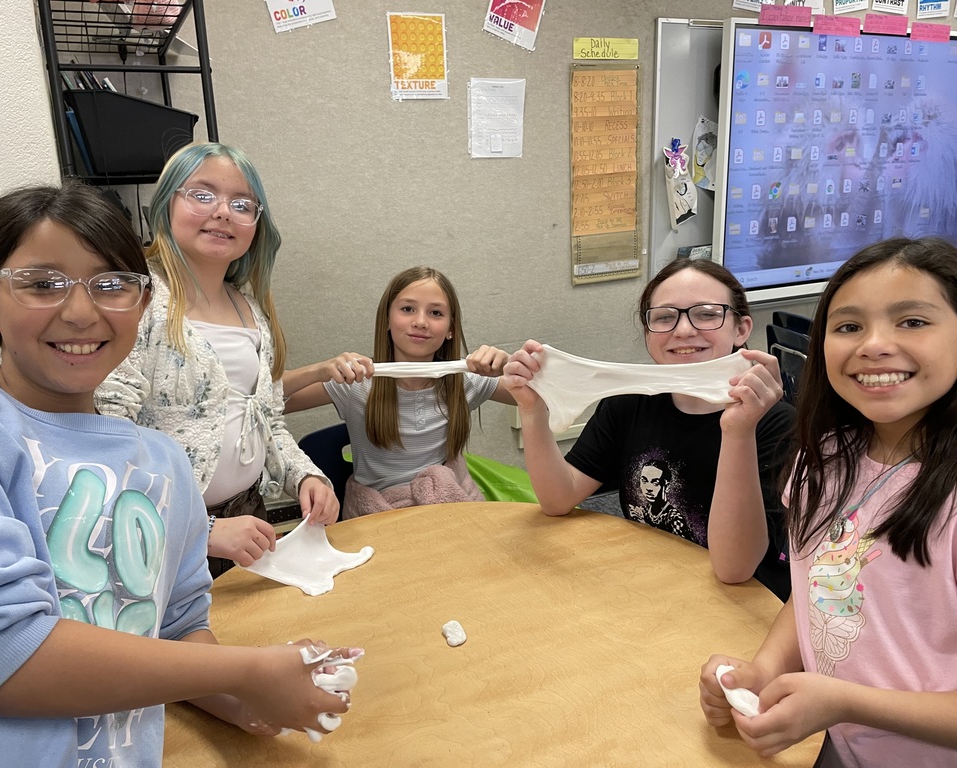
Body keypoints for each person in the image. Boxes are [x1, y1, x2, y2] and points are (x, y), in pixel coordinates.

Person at [0, 181, 359, 767]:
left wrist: (243, 702)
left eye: (111, 285)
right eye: (42, 284)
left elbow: (178, 629)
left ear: (141, 304)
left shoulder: (163, 462)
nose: (80, 312)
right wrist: (251, 668)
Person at [699, 238, 957, 767]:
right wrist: (767, 667)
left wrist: (843, 700)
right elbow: (819, 586)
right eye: (848, 326)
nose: (874, 344)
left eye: (912, 321)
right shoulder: (823, 460)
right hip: (836, 743)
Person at [96, 142, 338, 577]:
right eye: (202, 195)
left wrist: (304, 476)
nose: (223, 212)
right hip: (161, 531)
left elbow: (266, 418)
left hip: (247, 519)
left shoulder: (250, 310)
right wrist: (202, 528)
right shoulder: (138, 303)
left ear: (256, 225)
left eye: (242, 204)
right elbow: (106, 441)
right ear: (166, 203)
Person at [503, 259, 795, 600]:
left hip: (741, 605)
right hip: (651, 588)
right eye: (664, 317)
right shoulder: (628, 404)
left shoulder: (778, 424)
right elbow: (558, 498)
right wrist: (531, 408)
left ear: (741, 328)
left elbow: (734, 570)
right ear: (647, 333)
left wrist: (738, 432)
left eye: (706, 313)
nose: (683, 330)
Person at [283, 266, 516, 518]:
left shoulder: (465, 381)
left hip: (449, 509)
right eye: (407, 309)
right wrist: (318, 371)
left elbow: (545, 402)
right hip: (379, 515)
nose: (420, 322)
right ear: (386, 319)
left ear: (450, 329)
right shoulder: (357, 383)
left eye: (436, 313)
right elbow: (265, 400)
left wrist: (511, 366)